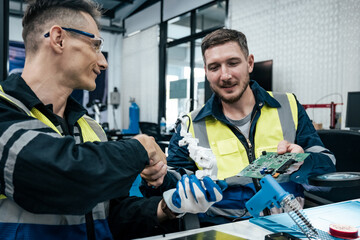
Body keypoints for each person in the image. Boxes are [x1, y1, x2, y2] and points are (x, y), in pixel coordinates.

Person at [0, 0, 223, 239]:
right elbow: (58, 175)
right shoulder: (5, 109)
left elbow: (111, 215)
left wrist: (169, 206)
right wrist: (141, 147)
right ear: (58, 39)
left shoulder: (91, 128)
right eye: (95, 45)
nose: (103, 62)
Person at [141, 28, 336, 226]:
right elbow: (170, 180)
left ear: (249, 63)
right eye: (214, 67)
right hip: (223, 228)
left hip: (289, 224)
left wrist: (303, 161)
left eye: (233, 63)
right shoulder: (189, 125)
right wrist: (155, 176)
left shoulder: (289, 105)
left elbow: (327, 161)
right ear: (206, 72)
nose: (225, 75)